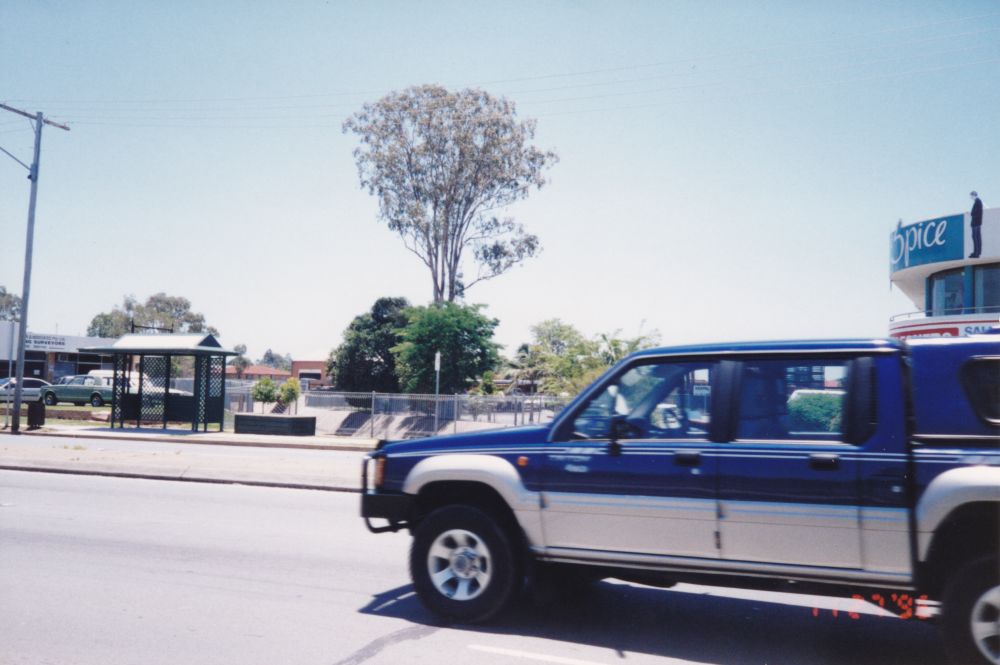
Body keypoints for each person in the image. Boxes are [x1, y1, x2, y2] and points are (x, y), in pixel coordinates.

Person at [970, 191, 983, 258]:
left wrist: (972, 214)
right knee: (977, 237)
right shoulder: (978, 202)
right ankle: (977, 252)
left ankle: (976, 253)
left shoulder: (978, 202)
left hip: (975, 223)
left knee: (975, 237)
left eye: (971, 196)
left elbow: (976, 213)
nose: (971, 197)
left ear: (974, 195)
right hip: (977, 222)